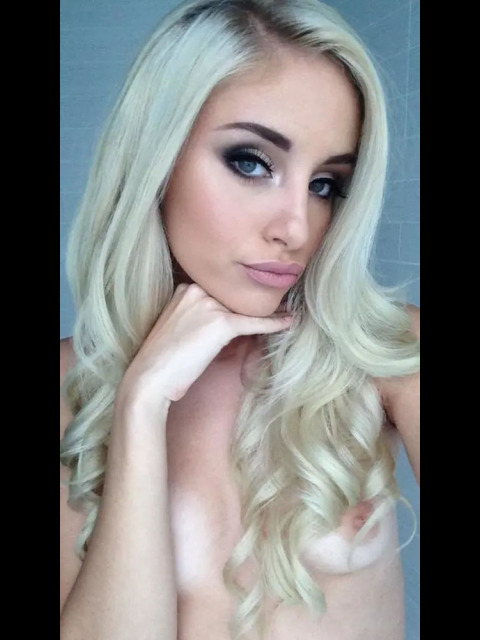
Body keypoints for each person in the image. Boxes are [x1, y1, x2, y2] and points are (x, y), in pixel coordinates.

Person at [59, 1, 420, 638]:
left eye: (325, 184)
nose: (296, 228)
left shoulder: (385, 353)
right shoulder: (71, 385)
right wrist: (141, 403)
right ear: (157, 158)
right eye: (252, 162)